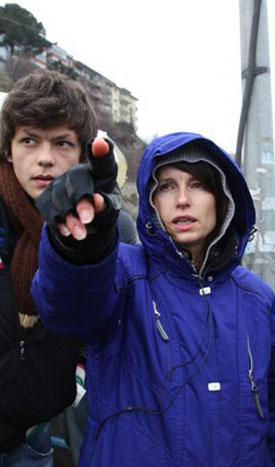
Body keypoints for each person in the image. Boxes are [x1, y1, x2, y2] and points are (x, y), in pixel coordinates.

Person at [31, 132, 275, 466]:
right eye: (167, 186)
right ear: (151, 201)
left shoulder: (258, 298)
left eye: (198, 184)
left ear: (223, 198)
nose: (182, 199)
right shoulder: (123, 272)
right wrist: (81, 248)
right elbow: (68, 309)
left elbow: (272, 419)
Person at [0, 68, 137, 467]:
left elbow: (107, 317)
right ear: (8, 149)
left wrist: (76, 376)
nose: (45, 158)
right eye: (29, 140)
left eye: (62, 143)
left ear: (82, 153)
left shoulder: (109, 226)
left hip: (34, 434)